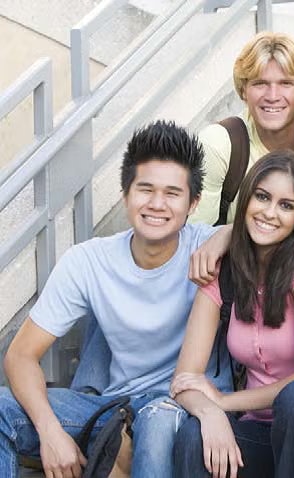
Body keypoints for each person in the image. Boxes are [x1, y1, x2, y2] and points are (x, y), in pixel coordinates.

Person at [0, 121, 234, 478]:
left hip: (184, 408)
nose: (157, 204)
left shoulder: (206, 246)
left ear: (193, 203)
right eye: (145, 189)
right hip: (115, 406)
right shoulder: (88, 261)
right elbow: (20, 355)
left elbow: (287, 226)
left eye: (173, 193)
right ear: (125, 194)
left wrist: (230, 234)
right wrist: (51, 433)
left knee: (157, 425)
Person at [172, 151, 294, 478]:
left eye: (287, 205)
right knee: (193, 437)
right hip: (260, 429)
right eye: (262, 197)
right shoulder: (222, 270)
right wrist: (210, 413)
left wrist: (225, 403)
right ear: (247, 200)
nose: (270, 213)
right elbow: (185, 378)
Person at [189, 31, 294, 261]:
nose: (272, 96)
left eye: (285, 83)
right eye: (260, 83)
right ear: (243, 91)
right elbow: (196, 237)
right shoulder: (220, 142)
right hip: (239, 267)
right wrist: (233, 232)